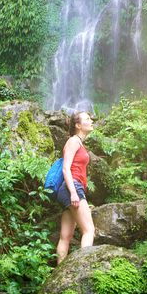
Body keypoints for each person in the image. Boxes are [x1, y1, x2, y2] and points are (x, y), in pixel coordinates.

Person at [55, 109, 95, 263]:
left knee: (65, 237)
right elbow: (66, 168)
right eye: (87, 118)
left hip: (69, 189)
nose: (91, 120)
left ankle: (59, 272)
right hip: (72, 187)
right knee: (89, 230)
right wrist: (73, 192)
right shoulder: (73, 141)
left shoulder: (78, 143)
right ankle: (82, 267)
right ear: (78, 125)